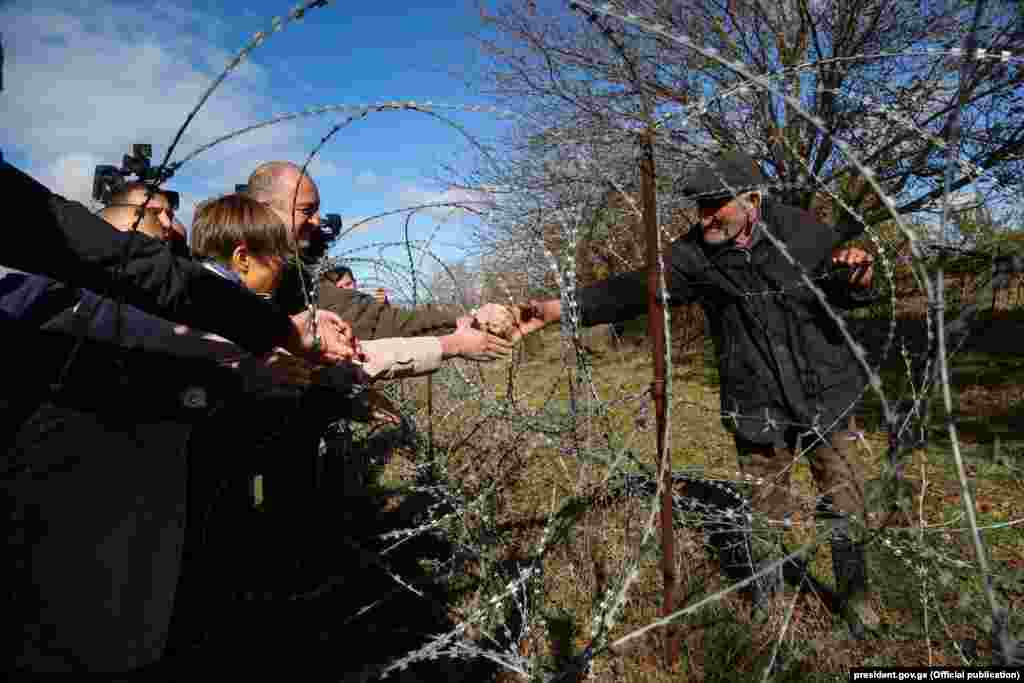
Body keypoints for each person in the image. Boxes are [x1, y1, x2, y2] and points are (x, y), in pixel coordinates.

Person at [511, 150, 880, 638]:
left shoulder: (804, 232)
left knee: (845, 501)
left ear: (751, 200)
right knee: (768, 509)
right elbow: (629, 290)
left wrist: (860, 278)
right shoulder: (693, 256)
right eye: (699, 207)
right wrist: (557, 309)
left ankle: (856, 598)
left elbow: (844, 290)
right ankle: (770, 603)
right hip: (757, 405)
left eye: (714, 206)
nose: (703, 217)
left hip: (826, 395)